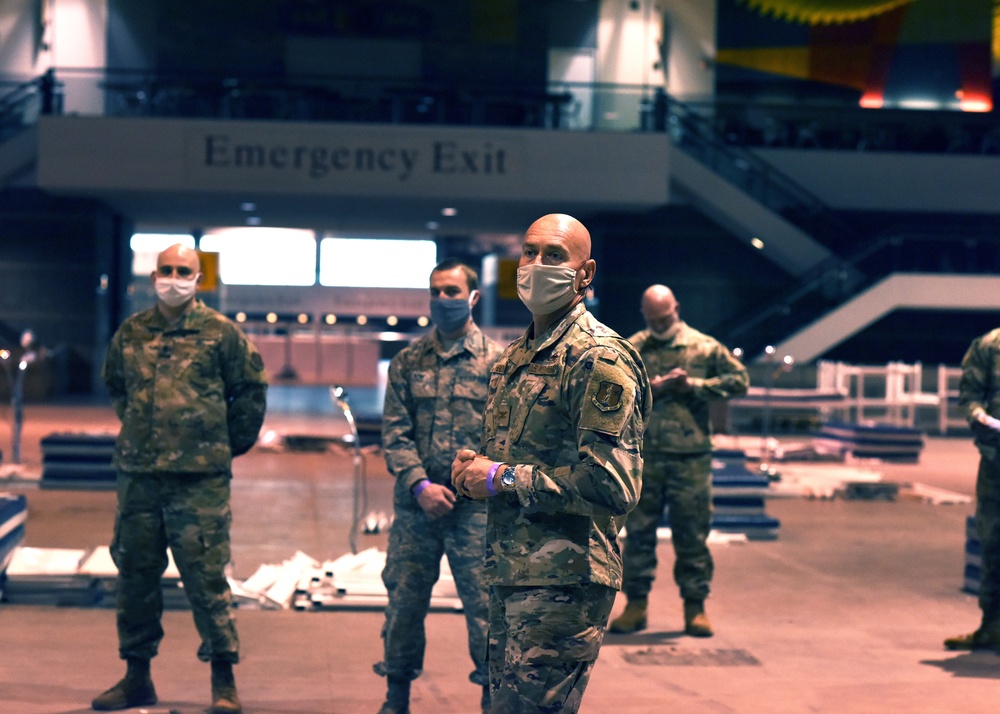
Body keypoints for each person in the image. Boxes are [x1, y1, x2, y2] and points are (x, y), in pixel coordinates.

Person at [451, 213, 650, 713]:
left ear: (585, 273)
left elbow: (613, 485)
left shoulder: (598, 357)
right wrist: (478, 469)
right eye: (530, 252)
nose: (536, 265)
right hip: (511, 570)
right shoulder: (517, 356)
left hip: (565, 579)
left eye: (555, 256)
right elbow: (523, 459)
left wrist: (500, 477)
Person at [94, 244, 267, 714]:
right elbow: (116, 386)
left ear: (198, 278)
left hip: (199, 481)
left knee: (207, 579)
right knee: (134, 577)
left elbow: (250, 391)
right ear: (154, 277)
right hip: (139, 478)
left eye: (183, 271)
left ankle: (223, 681)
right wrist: (139, 431)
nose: (174, 278)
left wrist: (224, 444)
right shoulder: (132, 332)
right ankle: (136, 677)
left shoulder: (221, 334)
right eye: (166, 271)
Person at [375, 259, 504, 714]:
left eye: (452, 291)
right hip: (417, 507)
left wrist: (478, 479)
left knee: (488, 611)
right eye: (436, 291)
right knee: (404, 606)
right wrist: (420, 486)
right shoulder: (409, 361)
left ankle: (493, 699)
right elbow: (394, 432)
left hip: (476, 509)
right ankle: (396, 697)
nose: (443, 299)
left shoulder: (499, 363)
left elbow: (506, 438)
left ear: (473, 297)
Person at [609, 284, 748, 637]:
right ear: (645, 316)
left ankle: (695, 607)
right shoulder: (633, 348)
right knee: (638, 535)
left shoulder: (703, 346)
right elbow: (610, 391)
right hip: (645, 458)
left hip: (691, 459)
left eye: (666, 317)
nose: (661, 324)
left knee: (692, 534)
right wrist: (649, 387)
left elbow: (739, 381)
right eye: (654, 319)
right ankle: (635, 605)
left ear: (677, 308)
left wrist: (696, 387)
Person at [945, 328, 1000, 653]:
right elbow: (970, 396)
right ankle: (992, 627)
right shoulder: (990, 346)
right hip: (997, 462)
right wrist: (979, 416)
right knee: (994, 541)